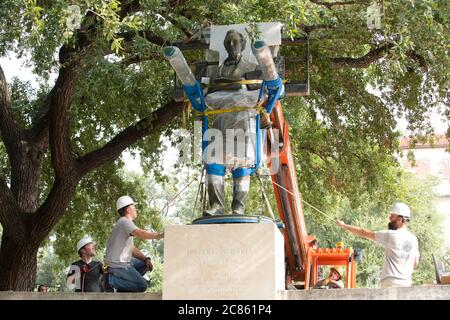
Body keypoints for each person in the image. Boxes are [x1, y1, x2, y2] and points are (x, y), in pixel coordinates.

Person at [203, 29, 260, 216]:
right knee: (213, 163)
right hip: (220, 124)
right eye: (228, 42)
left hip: (243, 124)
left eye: (235, 42)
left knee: (242, 165)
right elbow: (208, 93)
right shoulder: (216, 70)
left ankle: (238, 207)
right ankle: (217, 206)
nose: (231, 45)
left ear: (242, 44)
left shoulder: (251, 66)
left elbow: (259, 93)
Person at [336, 202, 420, 288]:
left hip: (390, 282)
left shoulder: (391, 235)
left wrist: (343, 225)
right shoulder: (414, 239)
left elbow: (363, 232)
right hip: (407, 284)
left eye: (392, 216)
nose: (390, 218)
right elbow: (415, 263)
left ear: (400, 219)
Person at [103, 196, 164, 292]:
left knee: (144, 264)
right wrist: (160, 235)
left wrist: (146, 259)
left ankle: (124, 288)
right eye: (134, 206)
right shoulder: (124, 222)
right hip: (117, 266)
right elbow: (141, 233)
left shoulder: (123, 224)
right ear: (128, 209)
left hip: (122, 263)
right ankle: (110, 281)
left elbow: (131, 249)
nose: (136, 209)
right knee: (142, 286)